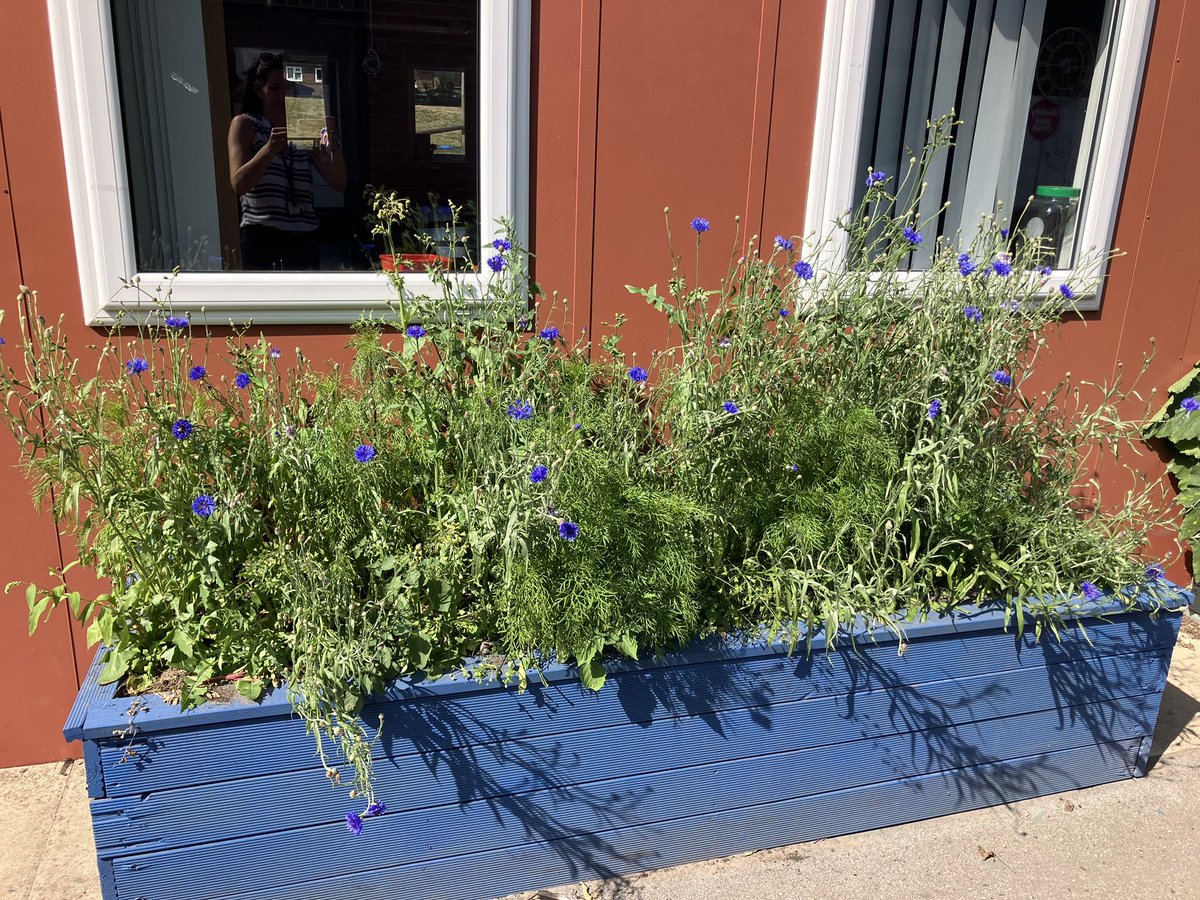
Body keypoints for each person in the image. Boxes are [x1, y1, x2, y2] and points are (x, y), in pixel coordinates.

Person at [227, 53, 347, 270]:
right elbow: (239, 183)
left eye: (287, 87)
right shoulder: (246, 124)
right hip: (262, 235)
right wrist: (270, 149)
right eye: (274, 88)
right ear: (258, 91)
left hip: (305, 236)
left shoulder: (301, 128)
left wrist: (334, 145)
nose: (282, 95)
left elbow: (338, 183)